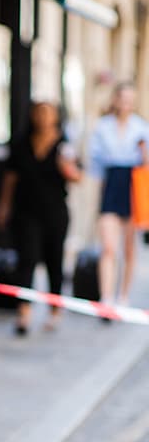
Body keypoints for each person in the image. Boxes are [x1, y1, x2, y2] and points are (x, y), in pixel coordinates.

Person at [0, 102, 82, 335]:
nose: (43, 117)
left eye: (48, 113)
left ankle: (55, 309)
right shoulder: (22, 143)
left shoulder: (64, 145)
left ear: (55, 117)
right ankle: (24, 311)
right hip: (26, 212)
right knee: (27, 260)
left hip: (55, 212)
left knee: (55, 260)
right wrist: (3, 207)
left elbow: (77, 176)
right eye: (39, 112)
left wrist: (67, 168)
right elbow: (10, 178)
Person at [89, 82, 149, 308]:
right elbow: (96, 166)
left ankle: (123, 295)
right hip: (111, 183)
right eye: (123, 99)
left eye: (130, 100)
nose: (126, 104)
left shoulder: (142, 128)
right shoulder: (103, 127)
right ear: (115, 100)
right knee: (109, 247)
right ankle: (106, 296)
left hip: (133, 185)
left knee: (129, 248)